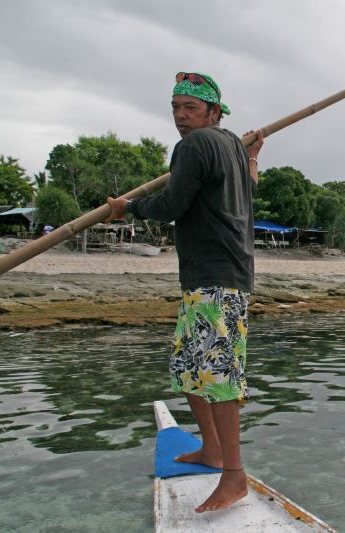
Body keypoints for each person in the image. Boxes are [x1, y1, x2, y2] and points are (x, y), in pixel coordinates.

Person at [106, 71, 264, 514]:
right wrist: (252, 158)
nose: (180, 116)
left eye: (189, 108)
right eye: (175, 107)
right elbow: (247, 191)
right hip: (210, 277)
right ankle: (211, 451)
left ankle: (234, 476)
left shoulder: (194, 145)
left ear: (213, 112)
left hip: (217, 277)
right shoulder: (232, 145)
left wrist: (127, 208)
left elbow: (172, 205)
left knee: (218, 374)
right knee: (188, 367)